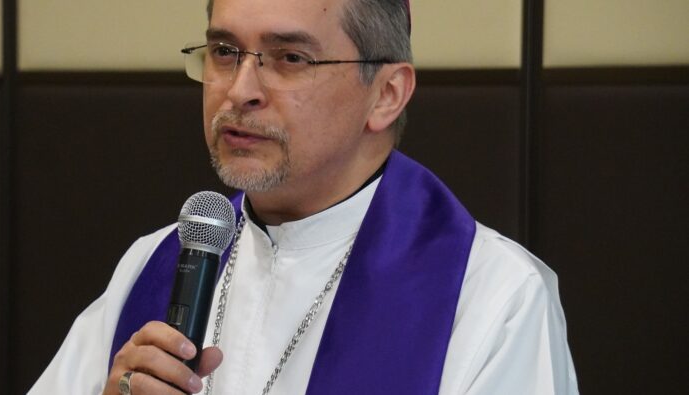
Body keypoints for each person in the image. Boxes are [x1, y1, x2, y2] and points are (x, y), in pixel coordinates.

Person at [29, 0, 579, 394]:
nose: (240, 90)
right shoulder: (152, 264)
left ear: (386, 94)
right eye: (225, 52)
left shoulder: (492, 298)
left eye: (290, 58)